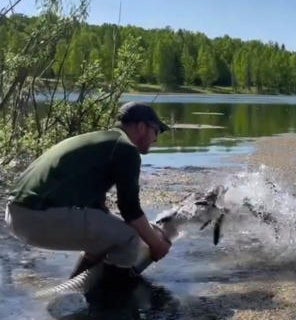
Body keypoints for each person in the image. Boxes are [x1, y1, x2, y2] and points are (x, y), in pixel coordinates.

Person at [4, 101, 172, 307]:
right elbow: (130, 209)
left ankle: (68, 295)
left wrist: (131, 230)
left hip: (17, 213)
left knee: (109, 236)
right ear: (141, 127)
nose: (156, 139)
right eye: (157, 131)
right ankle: (108, 307)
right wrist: (156, 244)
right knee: (130, 240)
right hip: (36, 215)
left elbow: (98, 208)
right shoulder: (125, 148)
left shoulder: (101, 141)